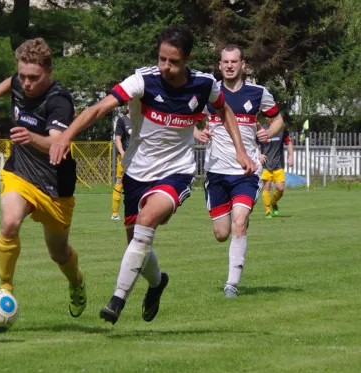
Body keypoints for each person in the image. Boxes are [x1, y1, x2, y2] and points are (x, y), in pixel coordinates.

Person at [50, 26, 256, 324]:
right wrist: (66, 135)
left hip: (177, 172)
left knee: (147, 222)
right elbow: (99, 109)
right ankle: (158, 283)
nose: (165, 67)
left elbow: (224, 111)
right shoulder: (142, 81)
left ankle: (117, 300)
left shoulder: (203, 84)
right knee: (136, 242)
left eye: (172, 61)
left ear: (187, 58)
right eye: (161, 59)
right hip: (136, 172)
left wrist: (240, 151)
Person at [0, 38, 86, 318]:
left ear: (49, 72)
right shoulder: (19, 80)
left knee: (58, 254)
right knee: (10, 223)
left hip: (55, 186)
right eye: (22, 76)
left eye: (33, 78)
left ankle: (76, 283)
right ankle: (5, 291)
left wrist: (31, 137)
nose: (25, 83)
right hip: (20, 173)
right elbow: (10, 81)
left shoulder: (59, 100)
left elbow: (58, 145)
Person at [196, 44, 284, 298]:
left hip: (247, 172)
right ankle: (237, 221)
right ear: (220, 65)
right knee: (221, 234)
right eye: (225, 62)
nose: (229, 66)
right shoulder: (210, 93)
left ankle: (231, 285)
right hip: (216, 172)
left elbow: (277, 118)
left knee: (239, 222)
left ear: (243, 64)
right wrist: (197, 131)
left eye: (234, 62)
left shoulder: (258, 93)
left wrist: (270, 130)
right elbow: (189, 119)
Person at [258, 123, 294, 218]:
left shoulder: (281, 129)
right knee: (267, 188)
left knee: (280, 188)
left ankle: (273, 202)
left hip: (278, 165)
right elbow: (254, 144)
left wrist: (291, 157)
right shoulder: (262, 129)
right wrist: (259, 154)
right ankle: (268, 211)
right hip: (266, 164)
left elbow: (289, 142)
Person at [111, 106, 132, 220]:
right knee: (120, 181)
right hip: (125, 158)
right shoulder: (122, 120)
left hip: (139, 158)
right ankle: (115, 213)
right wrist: (122, 152)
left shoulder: (141, 119)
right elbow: (118, 138)